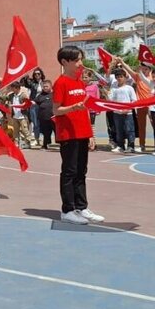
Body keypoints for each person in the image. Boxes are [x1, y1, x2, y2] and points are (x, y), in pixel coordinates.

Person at [53, 46, 104, 225]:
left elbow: (85, 111)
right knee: (70, 172)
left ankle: (81, 207)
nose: (80, 63)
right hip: (68, 135)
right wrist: (72, 108)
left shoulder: (80, 82)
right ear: (65, 62)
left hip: (82, 133)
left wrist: (90, 134)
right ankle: (67, 209)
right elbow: (56, 110)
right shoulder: (60, 83)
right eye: (76, 60)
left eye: (80, 59)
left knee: (82, 171)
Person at [109, 69, 137, 153]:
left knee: (129, 129)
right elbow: (111, 100)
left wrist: (128, 109)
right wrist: (106, 93)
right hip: (117, 113)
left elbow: (134, 100)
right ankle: (120, 146)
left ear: (125, 77)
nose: (119, 78)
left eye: (121, 77)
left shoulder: (129, 88)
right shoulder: (114, 88)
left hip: (128, 113)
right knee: (119, 130)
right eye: (117, 77)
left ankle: (131, 146)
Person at [34, 79, 55, 149]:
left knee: (56, 130)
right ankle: (45, 144)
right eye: (44, 86)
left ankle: (61, 144)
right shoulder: (40, 95)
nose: (45, 88)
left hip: (53, 116)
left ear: (51, 86)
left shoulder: (54, 94)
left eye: (47, 86)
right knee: (45, 132)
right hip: (43, 117)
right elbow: (35, 102)